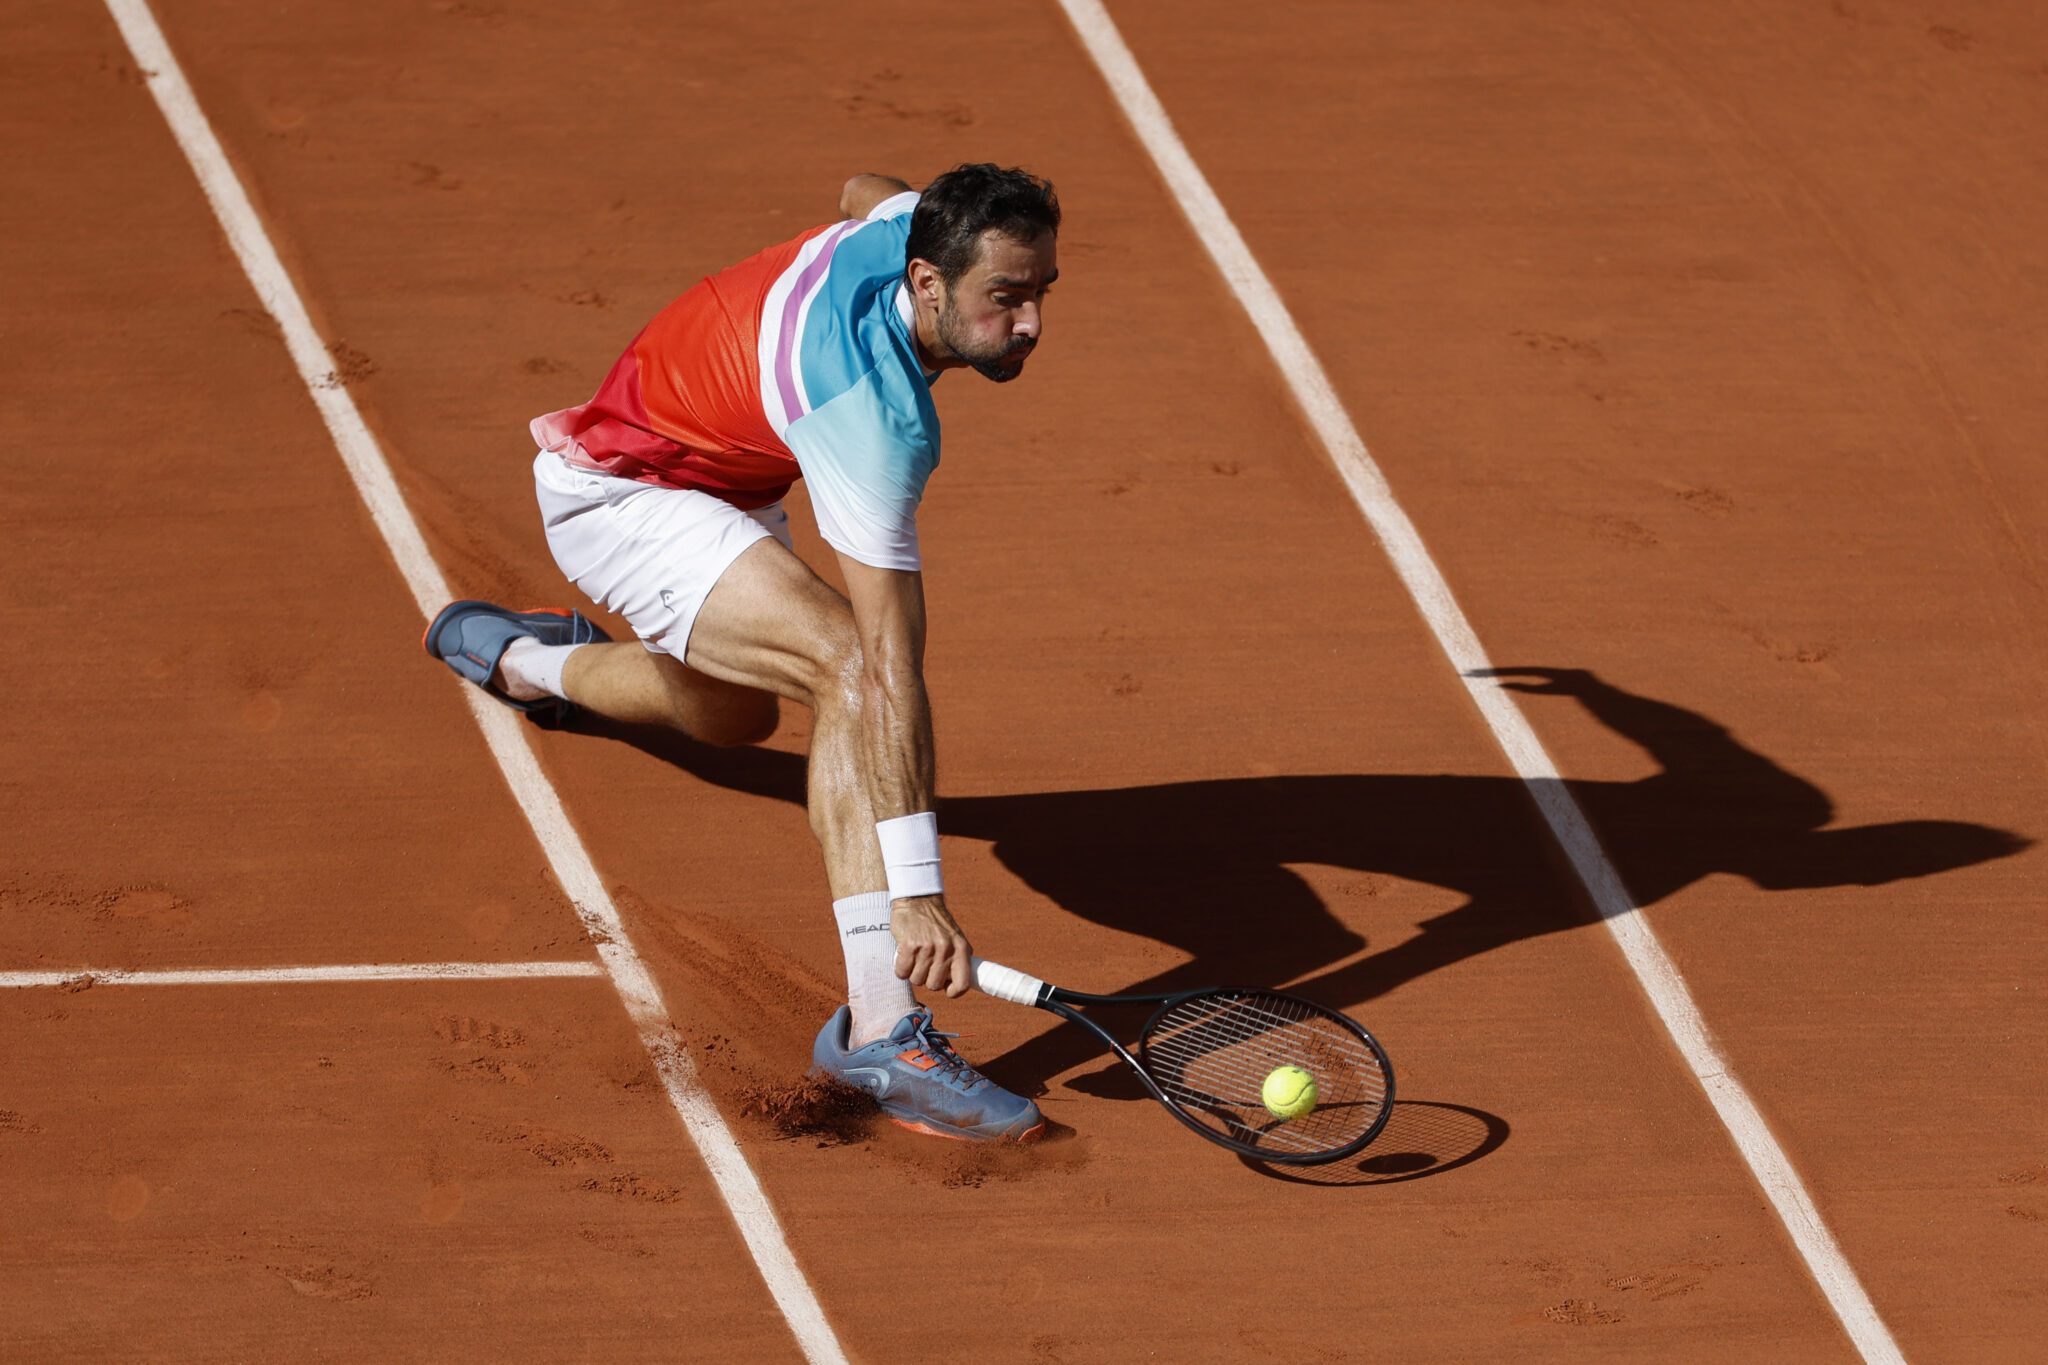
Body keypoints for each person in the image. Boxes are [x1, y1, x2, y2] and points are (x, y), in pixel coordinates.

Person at [423, 164, 1059, 1142]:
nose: (1029, 326)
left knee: (730, 718)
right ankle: (881, 1032)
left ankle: (527, 665)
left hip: (723, 465)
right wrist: (917, 892)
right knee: (841, 662)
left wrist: (893, 208)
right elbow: (886, 671)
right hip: (626, 495)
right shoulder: (870, 415)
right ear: (927, 282)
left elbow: (863, 190)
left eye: (1039, 293)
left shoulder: (908, 229)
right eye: (1005, 299)